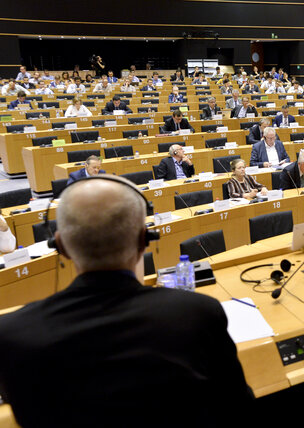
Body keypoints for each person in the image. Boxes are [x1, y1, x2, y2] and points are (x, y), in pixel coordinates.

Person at [0, 176, 255, 427]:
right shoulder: (197, 313)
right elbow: (236, 408)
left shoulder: (12, 335)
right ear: (144, 240)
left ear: (60, 246)